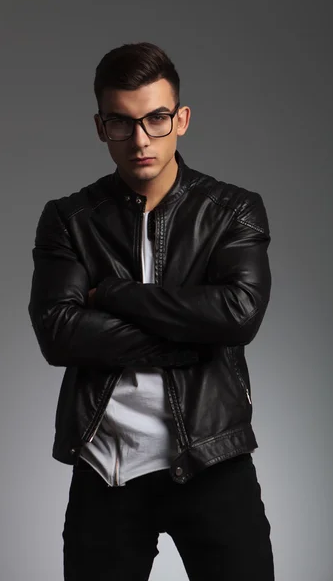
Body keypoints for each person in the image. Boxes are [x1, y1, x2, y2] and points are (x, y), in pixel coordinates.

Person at [28, 41, 275, 581]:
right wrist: (190, 336)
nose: (140, 139)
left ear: (181, 119)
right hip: (106, 466)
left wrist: (114, 294)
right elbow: (58, 333)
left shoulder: (232, 209)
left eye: (156, 119)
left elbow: (239, 314)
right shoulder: (70, 219)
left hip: (214, 459)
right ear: (101, 127)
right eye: (121, 122)